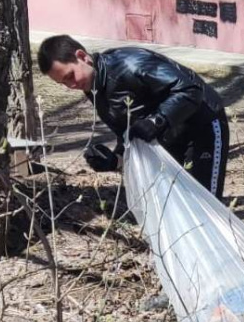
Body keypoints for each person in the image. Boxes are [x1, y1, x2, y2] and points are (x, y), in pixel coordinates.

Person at [37, 35, 230, 199]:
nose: (71, 86)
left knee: (206, 203)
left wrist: (157, 120)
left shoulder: (131, 63)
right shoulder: (94, 88)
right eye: (63, 83)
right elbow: (128, 133)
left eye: (70, 76)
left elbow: (190, 90)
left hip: (203, 124)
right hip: (170, 137)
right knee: (176, 201)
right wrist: (114, 160)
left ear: (82, 56)